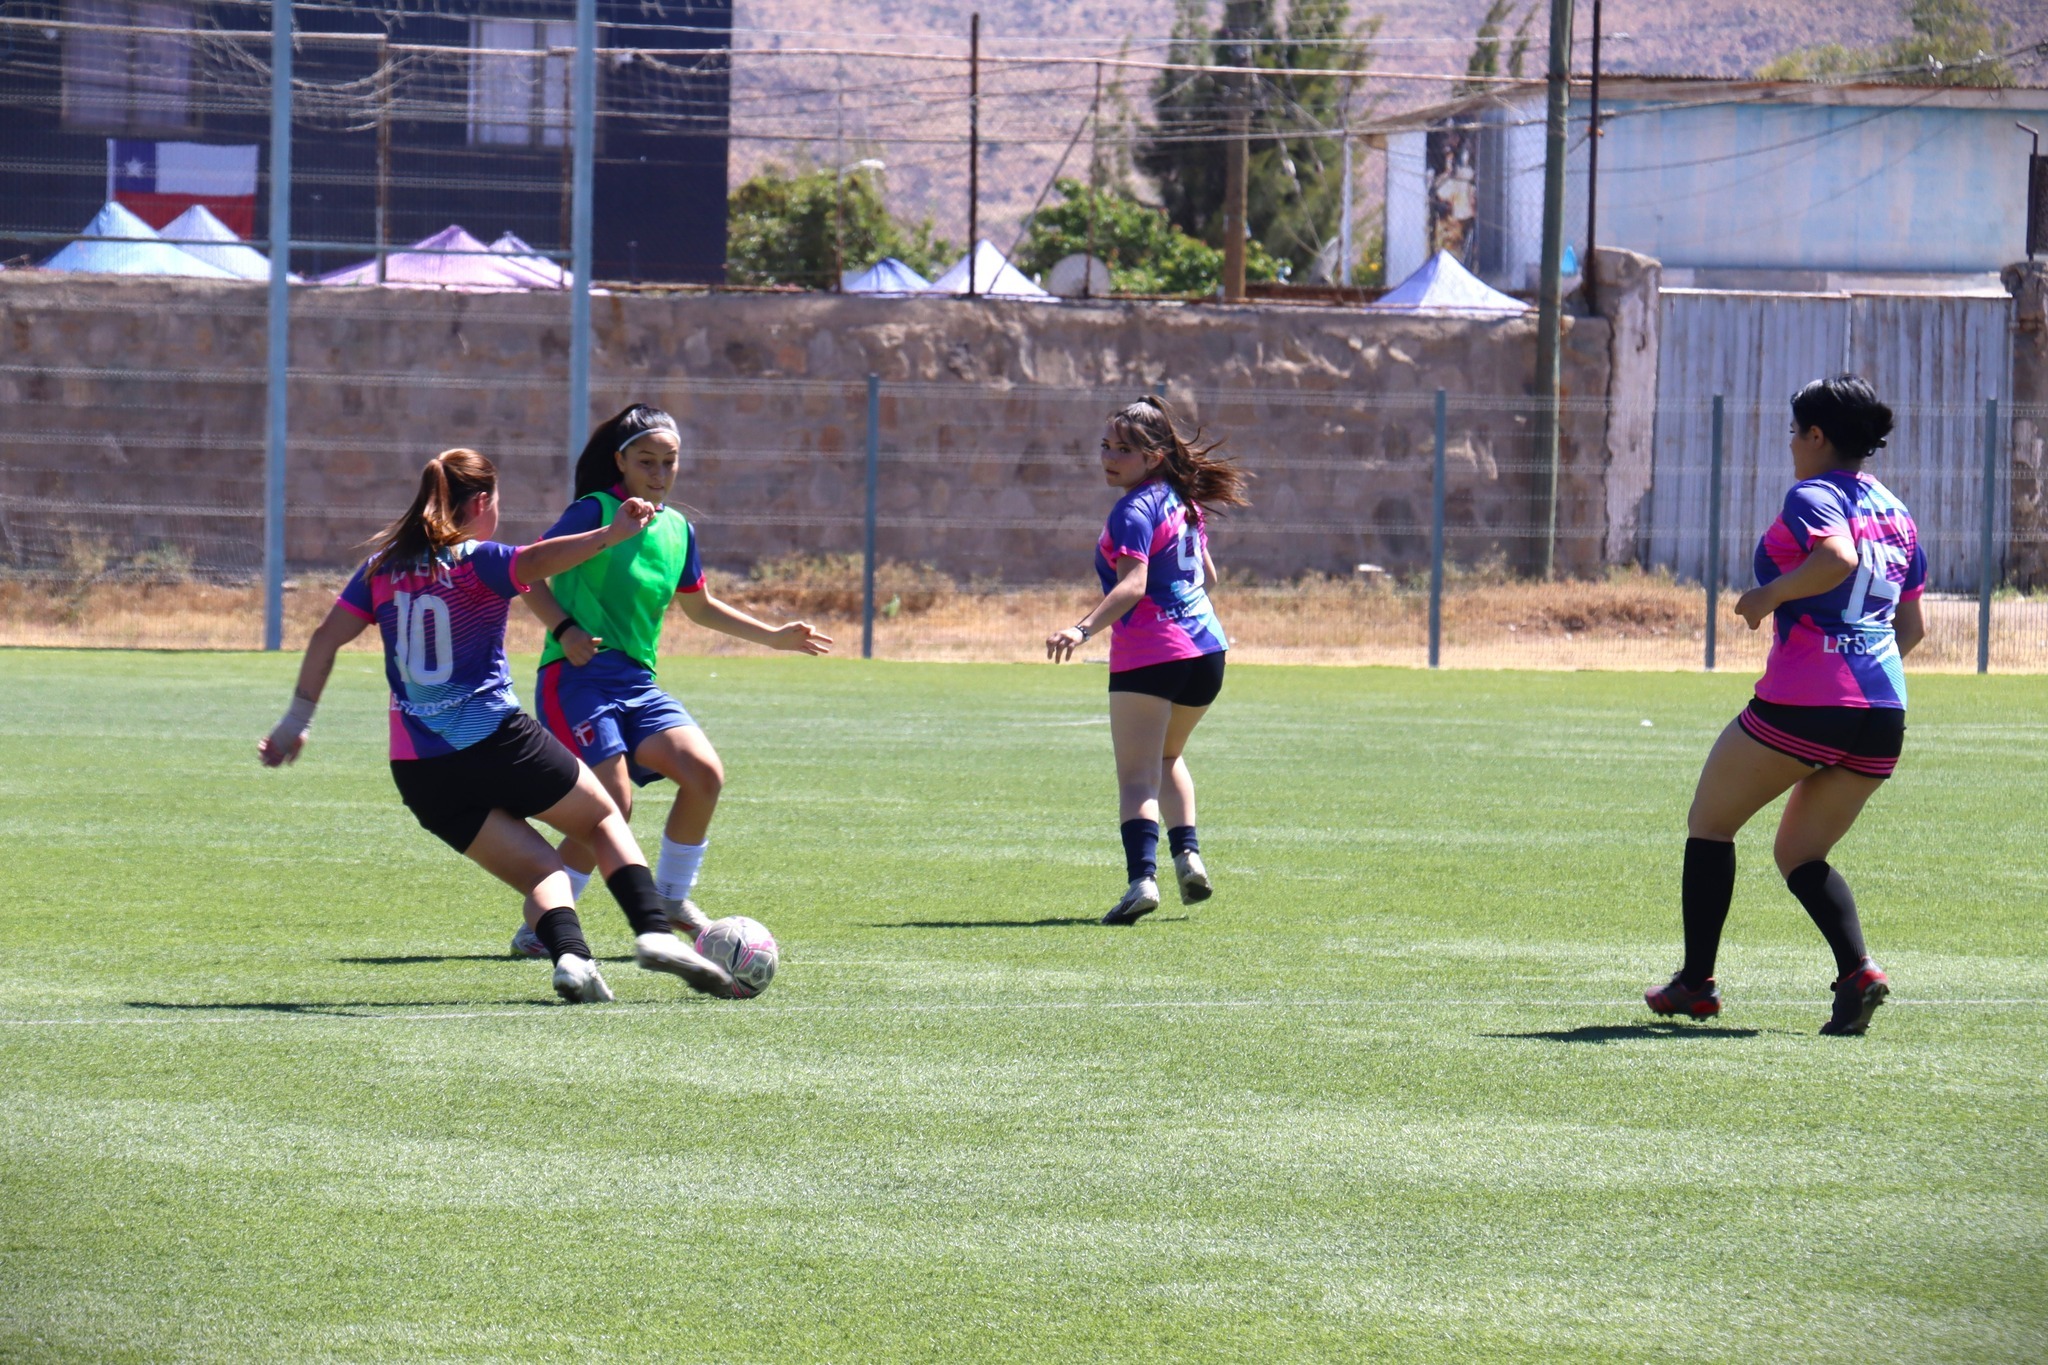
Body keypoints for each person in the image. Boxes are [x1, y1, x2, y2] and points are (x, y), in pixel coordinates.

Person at [258, 448, 734, 1004]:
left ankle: (574, 961)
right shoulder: (476, 559)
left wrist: (296, 722)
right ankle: (654, 932)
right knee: (605, 817)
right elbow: (536, 562)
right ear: (481, 502)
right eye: (497, 502)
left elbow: (324, 637)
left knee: (542, 872)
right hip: (494, 739)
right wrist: (611, 532)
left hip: (420, 771)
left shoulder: (381, 567)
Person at [1646, 375, 1925, 1035]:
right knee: (1800, 854)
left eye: (1795, 431)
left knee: (1710, 822)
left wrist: (1764, 598)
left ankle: (1696, 983)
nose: (1792, 445)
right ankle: (1858, 970)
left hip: (1807, 701)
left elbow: (1835, 556)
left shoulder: (1814, 494)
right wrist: (1858, 680)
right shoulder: (1898, 511)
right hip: (1884, 710)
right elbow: (1911, 630)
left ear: (1817, 435)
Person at [508, 404, 831, 960]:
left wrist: (774, 636)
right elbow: (524, 570)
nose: (658, 473)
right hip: (577, 678)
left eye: (669, 462)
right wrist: (566, 627)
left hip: (638, 683)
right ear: (621, 462)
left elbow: (700, 608)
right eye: (646, 461)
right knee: (611, 803)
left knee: (704, 773)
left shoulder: (678, 528)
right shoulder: (596, 510)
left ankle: (673, 898)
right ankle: (544, 924)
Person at [1046, 395, 1249, 925]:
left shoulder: (1133, 508)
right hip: (1207, 653)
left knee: (1137, 778)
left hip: (1151, 656)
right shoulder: (1184, 502)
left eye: (1125, 450)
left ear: (1154, 455)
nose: (1110, 457)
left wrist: (1082, 627)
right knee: (1166, 757)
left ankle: (1143, 882)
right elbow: (1208, 577)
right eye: (1106, 445)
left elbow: (1134, 585)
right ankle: (1190, 856)